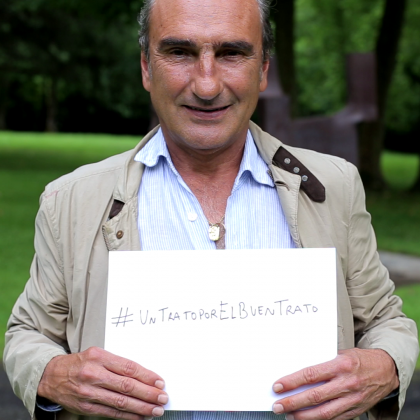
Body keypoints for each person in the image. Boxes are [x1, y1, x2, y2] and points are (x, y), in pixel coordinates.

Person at [4, 0, 418, 419]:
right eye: (180, 52)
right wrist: (53, 375)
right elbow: (28, 334)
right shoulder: (72, 200)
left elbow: (385, 320)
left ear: (263, 69)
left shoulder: (333, 187)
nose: (206, 85)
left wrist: (384, 367)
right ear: (146, 68)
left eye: (231, 53)